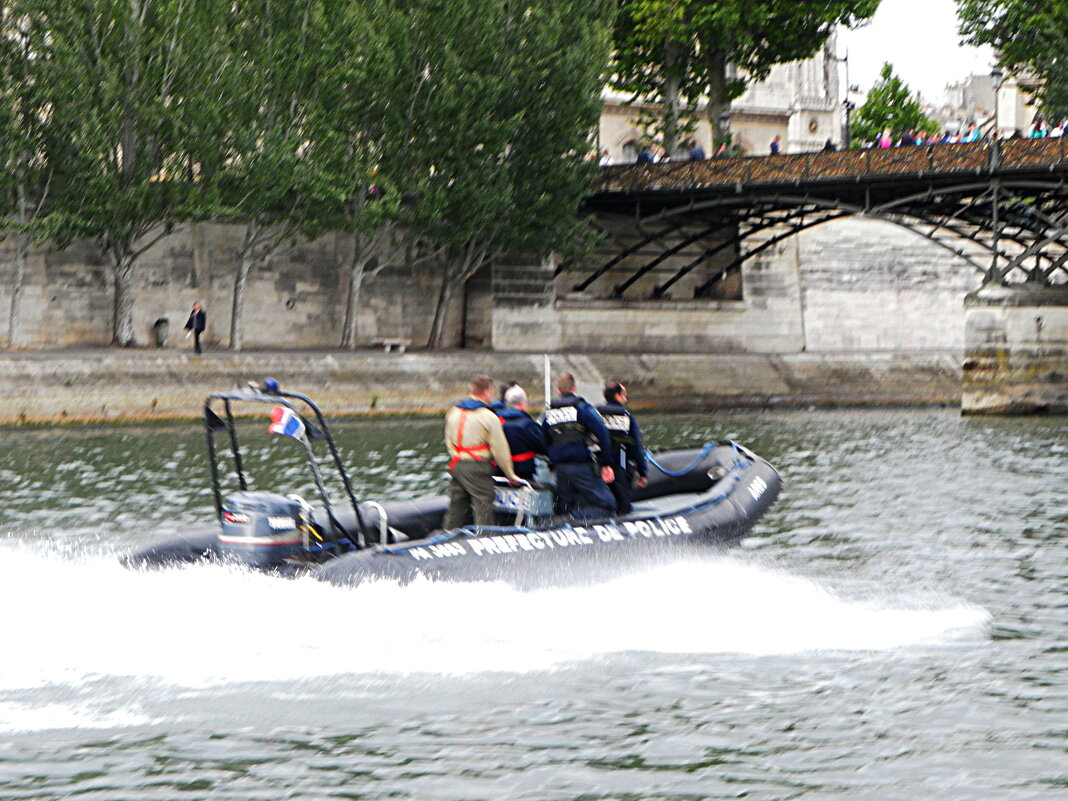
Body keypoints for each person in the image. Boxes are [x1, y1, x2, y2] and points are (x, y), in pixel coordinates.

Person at [444, 375, 519, 529]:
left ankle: (447, 535)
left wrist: (457, 456)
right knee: (483, 505)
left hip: (457, 464)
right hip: (478, 467)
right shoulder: (488, 417)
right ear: (487, 391)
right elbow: (500, 449)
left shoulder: (453, 412)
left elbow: (448, 440)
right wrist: (509, 474)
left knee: (457, 506)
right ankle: (485, 539)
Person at [542, 372, 616, 519]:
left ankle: (561, 524)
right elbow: (603, 435)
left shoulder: (549, 414)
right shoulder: (583, 409)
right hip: (581, 466)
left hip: (560, 468)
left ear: (558, 391)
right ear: (574, 388)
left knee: (564, 506)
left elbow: (544, 439)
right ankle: (573, 519)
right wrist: (606, 463)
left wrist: (552, 460)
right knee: (607, 506)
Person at [596, 381, 648, 515]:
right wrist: (643, 472)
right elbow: (636, 447)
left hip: (599, 468)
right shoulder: (627, 417)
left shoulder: (597, 414)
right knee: (624, 506)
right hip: (620, 468)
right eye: (624, 395)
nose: (626, 398)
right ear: (618, 396)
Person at [493, 384, 547, 481]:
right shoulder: (527, 424)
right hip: (522, 472)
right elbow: (542, 445)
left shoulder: (496, 421)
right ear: (522, 403)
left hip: (500, 470)